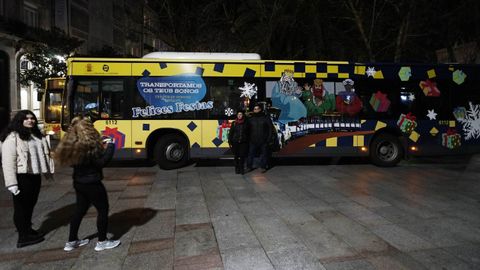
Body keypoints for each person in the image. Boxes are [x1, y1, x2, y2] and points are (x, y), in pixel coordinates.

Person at [55, 117, 120, 252]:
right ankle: (102, 242)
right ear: (88, 129)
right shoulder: (88, 146)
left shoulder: (72, 143)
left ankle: (71, 241)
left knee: (79, 210)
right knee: (103, 210)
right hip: (92, 183)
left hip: (79, 182)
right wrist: (111, 146)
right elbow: (101, 163)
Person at [1, 110, 54, 248]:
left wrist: (48, 171)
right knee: (21, 208)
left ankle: (28, 229)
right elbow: (8, 162)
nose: (30, 121)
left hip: (34, 176)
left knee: (30, 205)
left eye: (32, 118)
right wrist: (12, 183)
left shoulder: (36, 135)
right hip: (22, 177)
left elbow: (45, 154)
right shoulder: (12, 137)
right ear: (20, 121)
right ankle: (23, 237)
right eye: (26, 119)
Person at [246, 104, 273, 173]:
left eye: (257, 109)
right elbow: (247, 129)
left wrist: (268, 139)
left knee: (264, 154)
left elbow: (270, 129)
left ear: (260, 109)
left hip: (263, 140)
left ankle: (263, 167)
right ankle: (249, 167)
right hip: (253, 140)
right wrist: (248, 138)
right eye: (254, 109)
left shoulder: (265, 118)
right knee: (250, 154)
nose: (256, 110)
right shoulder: (250, 119)